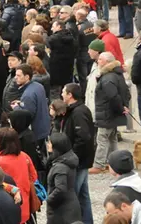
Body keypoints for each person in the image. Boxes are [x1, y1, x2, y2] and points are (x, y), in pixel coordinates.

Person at [60, 83, 95, 224]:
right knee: (83, 195)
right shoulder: (75, 110)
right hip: (80, 159)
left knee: (73, 195)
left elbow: (83, 137)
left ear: (70, 95)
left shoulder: (79, 112)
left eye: (63, 92)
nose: (61, 94)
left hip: (78, 161)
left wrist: (71, 156)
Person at [90, 52, 129, 174]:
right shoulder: (117, 75)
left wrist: (121, 108)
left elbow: (113, 97)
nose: (98, 61)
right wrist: (124, 106)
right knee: (112, 139)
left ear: (107, 62)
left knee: (102, 139)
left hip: (107, 113)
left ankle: (99, 164)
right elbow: (126, 93)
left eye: (100, 59)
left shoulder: (108, 78)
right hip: (112, 113)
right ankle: (115, 162)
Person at [0, 128, 36, 224]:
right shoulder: (24, 156)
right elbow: (33, 177)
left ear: (2, 142)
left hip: (7, 206)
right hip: (24, 204)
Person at [44, 133, 81, 224]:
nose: (48, 144)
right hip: (69, 205)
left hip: (62, 210)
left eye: (50, 142)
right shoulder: (68, 159)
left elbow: (60, 189)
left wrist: (49, 199)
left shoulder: (60, 167)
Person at [11, 65, 51, 143]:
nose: (15, 77)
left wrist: (16, 108)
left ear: (27, 77)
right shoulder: (38, 86)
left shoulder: (28, 95)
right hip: (45, 128)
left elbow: (27, 116)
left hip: (36, 133)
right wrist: (22, 104)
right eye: (16, 75)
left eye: (18, 75)